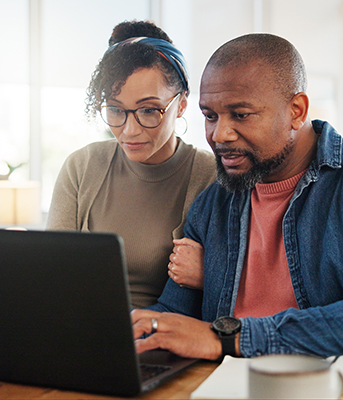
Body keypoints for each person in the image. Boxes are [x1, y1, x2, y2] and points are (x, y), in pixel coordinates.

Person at [131, 33, 343, 362]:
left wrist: (228, 338)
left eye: (241, 114)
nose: (219, 134)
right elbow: (171, 315)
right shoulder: (214, 203)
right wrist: (123, 330)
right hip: (241, 384)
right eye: (210, 116)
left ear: (296, 110)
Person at [46, 21, 216, 308]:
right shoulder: (81, 166)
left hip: (162, 338)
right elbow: (51, 275)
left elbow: (231, 288)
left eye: (149, 110)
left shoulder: (209, 175)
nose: (129, 130)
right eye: (115, 110)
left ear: (182, 104)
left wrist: (209, 274)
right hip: (76, 329)